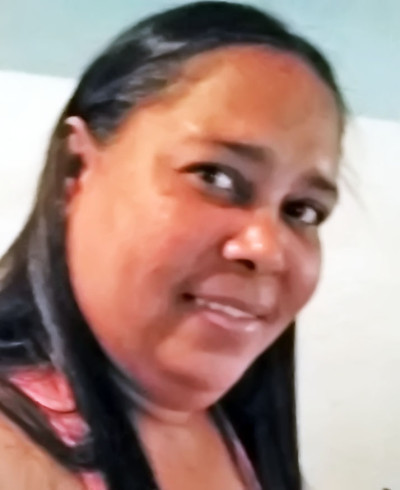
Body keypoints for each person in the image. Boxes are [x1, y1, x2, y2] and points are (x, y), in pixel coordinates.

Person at [0, 1, 346, 489]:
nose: (267, 248)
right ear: (76, 172)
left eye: (302, 210)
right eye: (215, 176)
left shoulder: (230, 421)